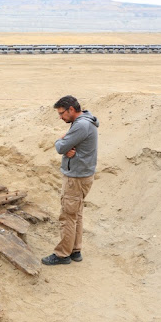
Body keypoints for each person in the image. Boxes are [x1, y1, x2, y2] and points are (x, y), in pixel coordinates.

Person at [42, 95, 99, 266]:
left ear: (71, 110)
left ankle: (62, 254)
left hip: (76, 178)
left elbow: (61, 147)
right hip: (83, 175)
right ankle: (75, 250)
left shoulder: (81, 125)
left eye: (61, 113)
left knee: (67, 216)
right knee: (76, 214)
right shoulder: (86, 121)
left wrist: (61, 140)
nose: (60, 117)